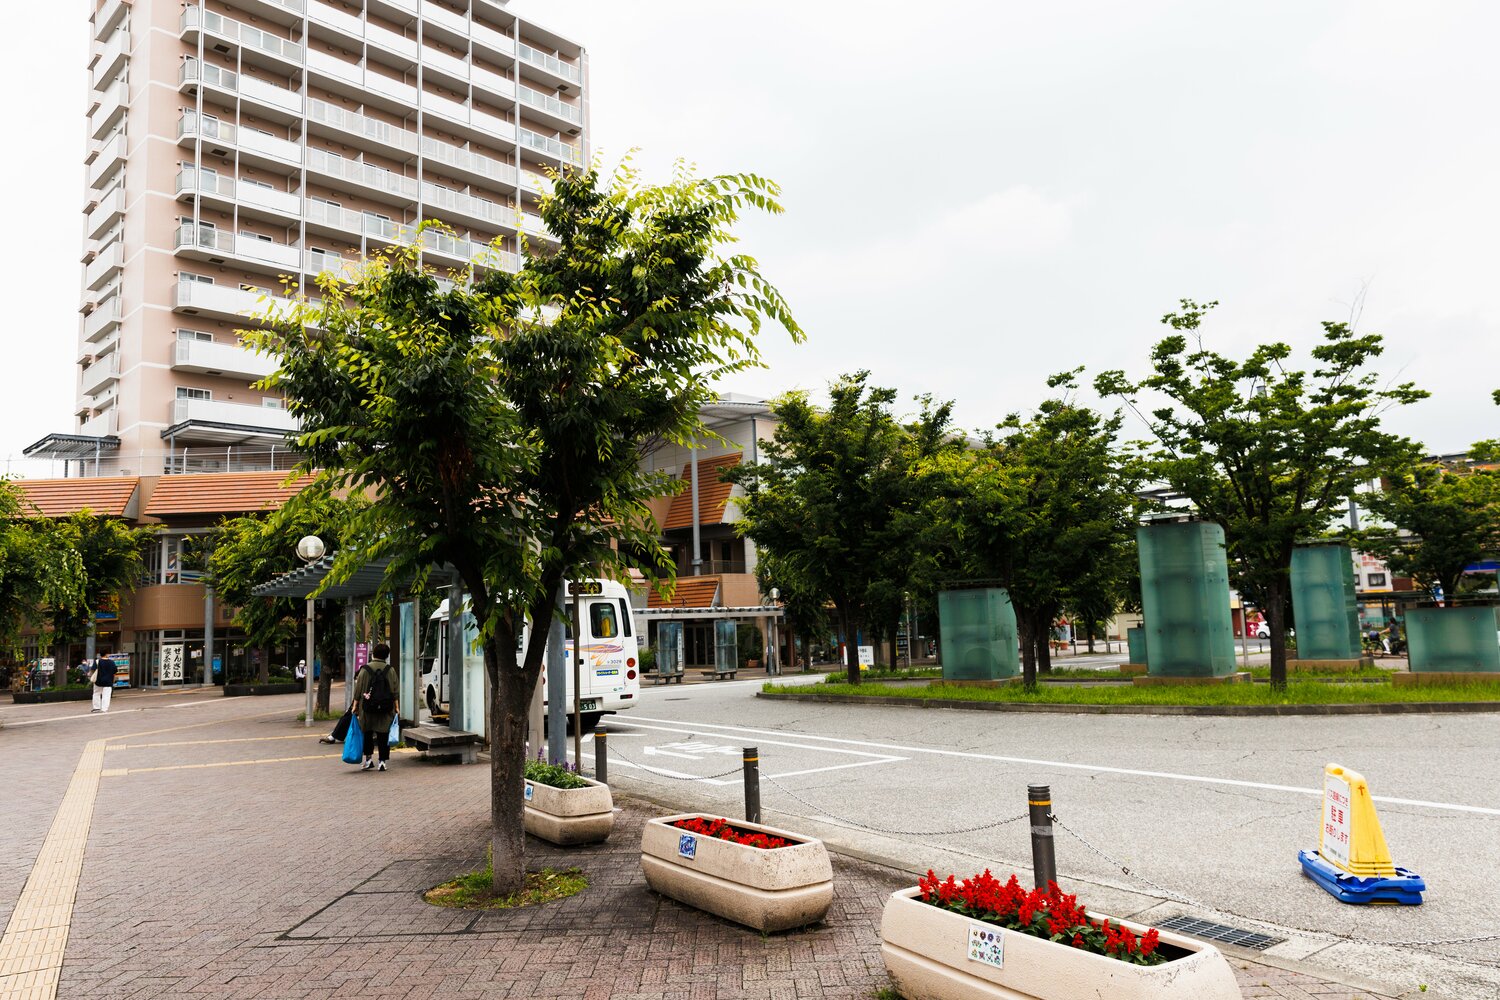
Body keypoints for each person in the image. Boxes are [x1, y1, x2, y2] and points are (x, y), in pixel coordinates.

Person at [350, 643, 398, 771]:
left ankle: (368, 760)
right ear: (386, 656)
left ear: (373, 654)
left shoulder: (364, 669)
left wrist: (355, 706)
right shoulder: (390, 670)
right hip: (386, 708)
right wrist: (397, 707)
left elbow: (358, 690)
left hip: (367, 707)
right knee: (383, 734)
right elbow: (395, 691)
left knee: (367, 733)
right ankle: (382, 762)